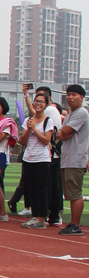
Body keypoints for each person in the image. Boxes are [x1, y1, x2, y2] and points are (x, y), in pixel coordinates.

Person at [55, 84, 89, 236]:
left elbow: (65, 133)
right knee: (70, 193)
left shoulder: (81, 113)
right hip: (69, 158)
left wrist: (62, 133)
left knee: (75, 193)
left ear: (82, 97)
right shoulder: (70, 115)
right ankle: (73, 224)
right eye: (68, 94)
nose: (70, 97)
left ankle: (75, 224)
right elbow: (61, 134)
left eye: (74, 94)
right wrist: (62, 133)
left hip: (76, 158)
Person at [16, 92, 53, 229]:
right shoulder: (28, 120)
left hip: (42, 159)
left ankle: (42, 220)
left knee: (41, 189)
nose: (38, 104)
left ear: (46, 104)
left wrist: (34, 130)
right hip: (28, 158)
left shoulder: (48, 121)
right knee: (30, 189)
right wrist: (27, 129)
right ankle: (35, 216)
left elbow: (46, 141)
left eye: (41, 102)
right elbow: (22, 141)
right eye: (36, 101)